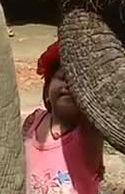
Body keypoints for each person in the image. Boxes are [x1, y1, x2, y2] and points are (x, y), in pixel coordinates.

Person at [22, 41, 104, 194]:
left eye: (77, 81)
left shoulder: (88, 132)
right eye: (62, 77)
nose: (69, 85)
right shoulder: (33, 122)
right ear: (47, 90)